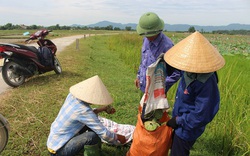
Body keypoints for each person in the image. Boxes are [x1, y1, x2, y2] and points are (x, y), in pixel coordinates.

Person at [164, 31, 225, 156]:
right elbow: (179, 71)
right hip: (180, 121)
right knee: (174, 146)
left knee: (178, 151)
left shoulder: (206, 83)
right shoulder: (189, 70)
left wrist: (179, 120)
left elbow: (203, 114)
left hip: (188, 127)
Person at [47, 75, 126, 156]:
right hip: (59, 151)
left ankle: (97, 150)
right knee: (92, 136)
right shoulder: (83, 110)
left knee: (92, 125)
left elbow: (87, 116)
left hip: (53, 142)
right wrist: (119, 137)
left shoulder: (72, 96)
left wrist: (102, 109)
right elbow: (105, 134)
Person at [134, 12, 180, 94]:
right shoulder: (145, 40)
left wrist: (161, 86)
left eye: (149, 34)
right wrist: (138, 76)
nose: (147, 37)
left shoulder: (167, 46)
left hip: (157, 93)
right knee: (142, 106)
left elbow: (176, 72)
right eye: (145, 34)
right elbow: (143, 61)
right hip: (143, 87)